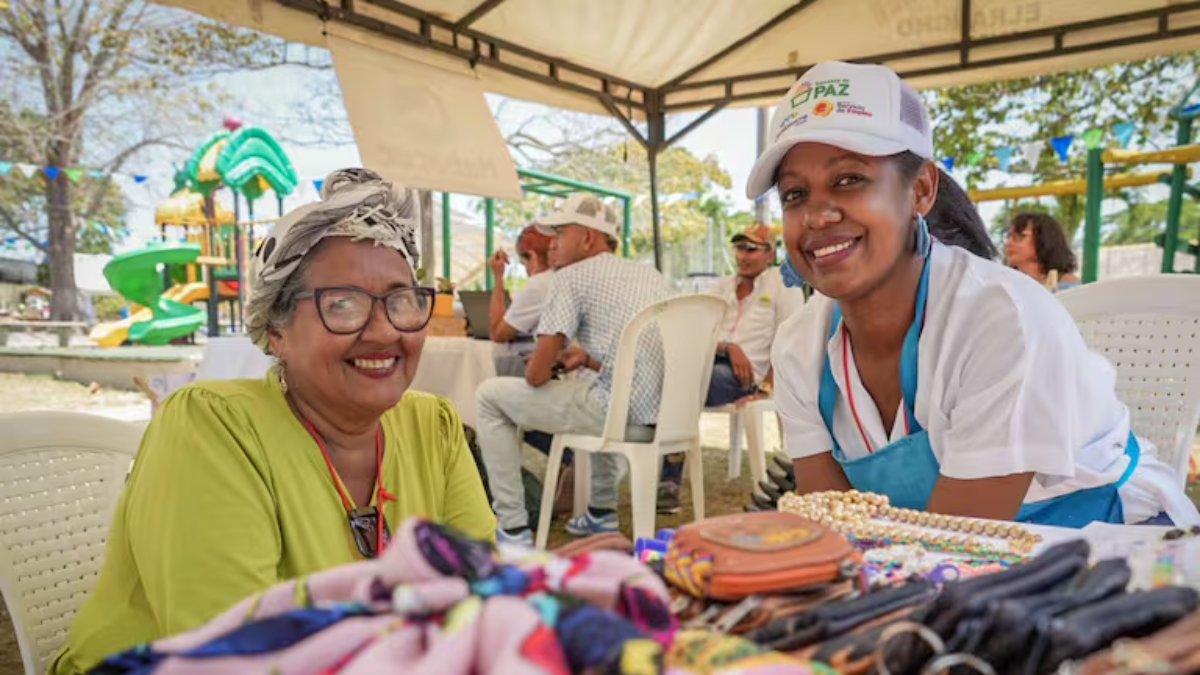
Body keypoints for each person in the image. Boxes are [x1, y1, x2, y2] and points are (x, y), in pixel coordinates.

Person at [51, 169, 496, 675]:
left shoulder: (432, 427)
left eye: (400, 301)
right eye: (343, 304)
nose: (383, 331)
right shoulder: (212, 428)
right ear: (277, 330)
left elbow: (481, 605)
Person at [752, 61, 1198, 528]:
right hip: (937, 554)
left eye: (849, 179)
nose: (817, 215)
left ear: (921, 189)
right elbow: (833, 527)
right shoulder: (799, 346)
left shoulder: (1002, 319)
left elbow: (960, 544)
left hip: (1104, 543)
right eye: (794, 194)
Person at [475, 194, 671, 545]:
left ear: (586, 237)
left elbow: (535, 377)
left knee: (489, 396)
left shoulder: (570, 278)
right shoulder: (650, 274)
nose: (555, 242)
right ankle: (601, 513)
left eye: (561, 232)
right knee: (596, 382)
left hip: (614, 414)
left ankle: (513, 529)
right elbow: (640, 356)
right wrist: (587, 358)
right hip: (662, 415)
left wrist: (545, 364)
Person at [658, 223, 805, 513]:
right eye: (740, 248)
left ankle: (669, 478)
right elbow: (695, 332)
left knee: (683, 381)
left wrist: (765, 388)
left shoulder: (782, 284)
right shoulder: (721, 286)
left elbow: (793, 340)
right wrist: (727, 347)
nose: (743, 255)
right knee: (672, 372)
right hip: (710, 361)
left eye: (751, 248)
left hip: (747, 376)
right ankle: (664, 469)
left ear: (769, 253)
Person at [1005, 211, 1082, 292]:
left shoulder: (1068, 284)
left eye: (1019, 237)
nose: (1008, 243)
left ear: (1044, 240)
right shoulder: (1005, 285)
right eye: (1008, 237)